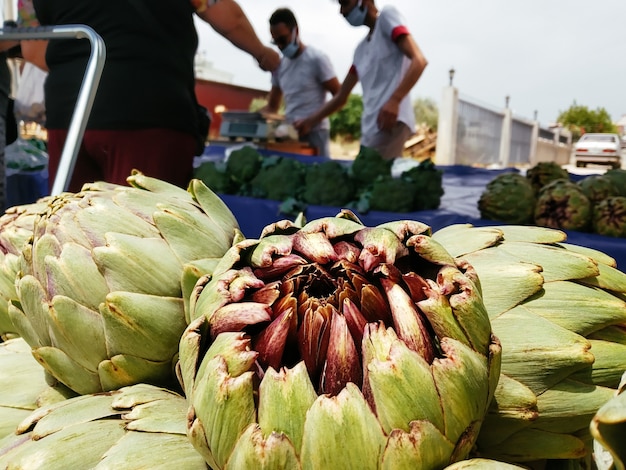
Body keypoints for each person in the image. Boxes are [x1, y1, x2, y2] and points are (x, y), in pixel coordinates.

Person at [17, 0, 280, 193]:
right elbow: (227, 17)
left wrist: (77, 69)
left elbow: (31, 48)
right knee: (147, 242)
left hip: (70, 116)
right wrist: (264, 54)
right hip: (148, 112)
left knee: (69, 242)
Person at [294, 0, 427, 160]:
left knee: (372, 179)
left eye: (345, 3)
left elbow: (419, 60)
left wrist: (395, 100)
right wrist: (309, 122)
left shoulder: (387, 17)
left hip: (390, 123)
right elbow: (341, 97)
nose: (341, 11)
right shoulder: (360, 51)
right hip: (370, 131)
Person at [262, 8, 340, 157]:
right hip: (290, 133)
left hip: (316, 133)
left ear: (295, 31)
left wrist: (311, 121)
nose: (280, 46)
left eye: (283, 40)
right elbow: (272, 107)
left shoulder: (316, 59)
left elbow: (339, 96)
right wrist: (247, 119)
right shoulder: (280, 66)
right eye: (275, 42)